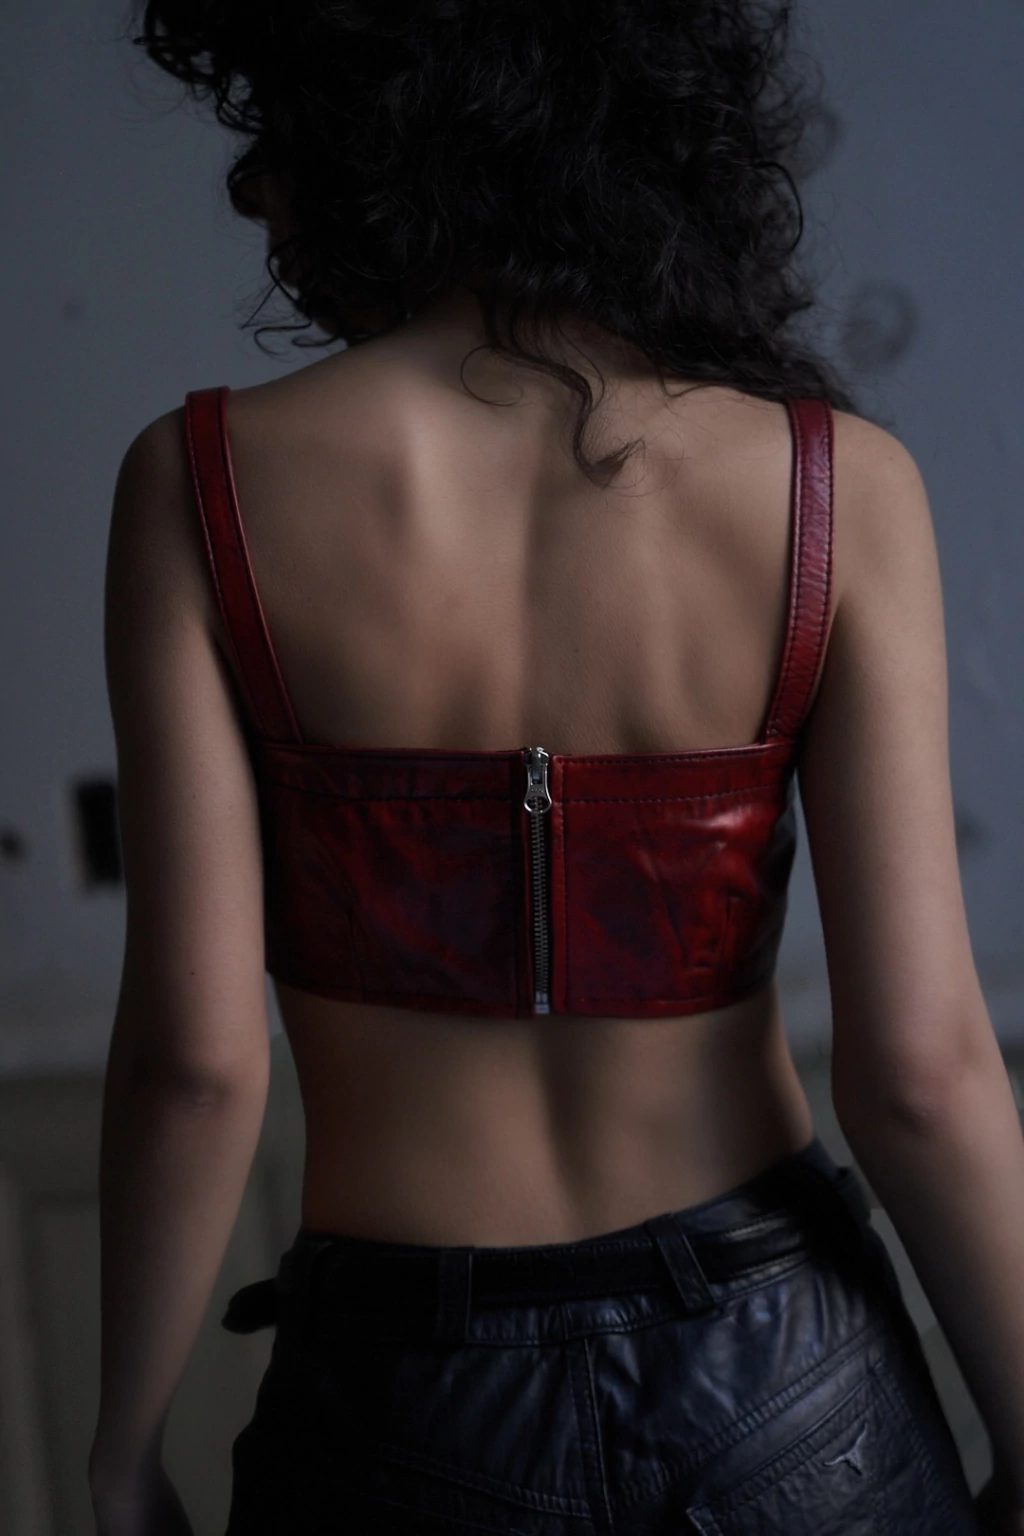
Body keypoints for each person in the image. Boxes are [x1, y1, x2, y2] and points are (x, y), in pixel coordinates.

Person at [87, 2, 1024, 1533]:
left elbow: (196, 1065)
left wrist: (124, 1455)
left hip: (401, 1401)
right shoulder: (836, 488)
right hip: (789, 1389)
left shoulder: (200, 485)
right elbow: (920, 1071)